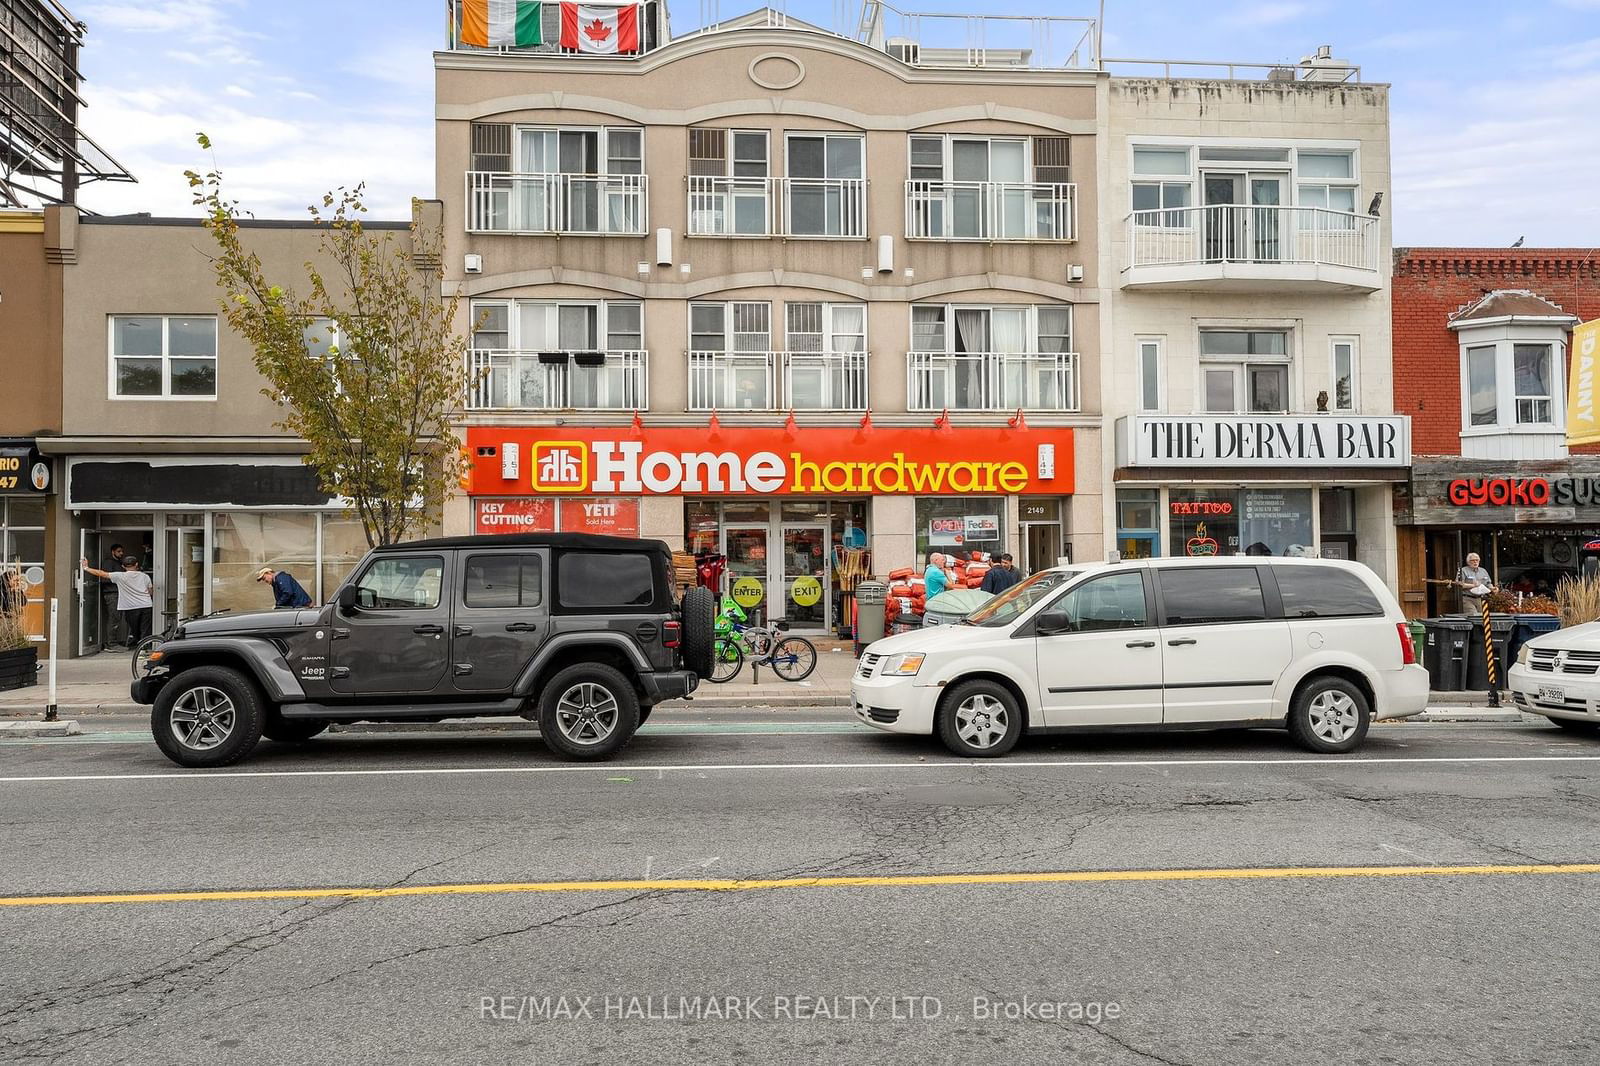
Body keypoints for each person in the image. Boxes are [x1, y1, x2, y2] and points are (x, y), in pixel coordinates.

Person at [81, 555, 153, 649]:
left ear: (123, 566)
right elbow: (150, 591)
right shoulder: (145, 576)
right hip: (146, 605)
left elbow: (102, 573)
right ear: (136, 564)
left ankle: (140, 647)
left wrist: (86, 568)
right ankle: (145, 649)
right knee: (145, 629)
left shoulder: (119, 576)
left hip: (130, 607)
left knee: (135, 630)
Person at [98, 543, 126, 650]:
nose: (121, 553)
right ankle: (111, 644)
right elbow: (105, 578)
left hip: (118, 593)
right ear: (113, 551)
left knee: (117, 618)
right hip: (112, 593)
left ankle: (114, 642)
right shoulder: (109, 562)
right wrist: (118, 579)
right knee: (114, 617)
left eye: (122, 551)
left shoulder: (119, 563)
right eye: (119, 551)